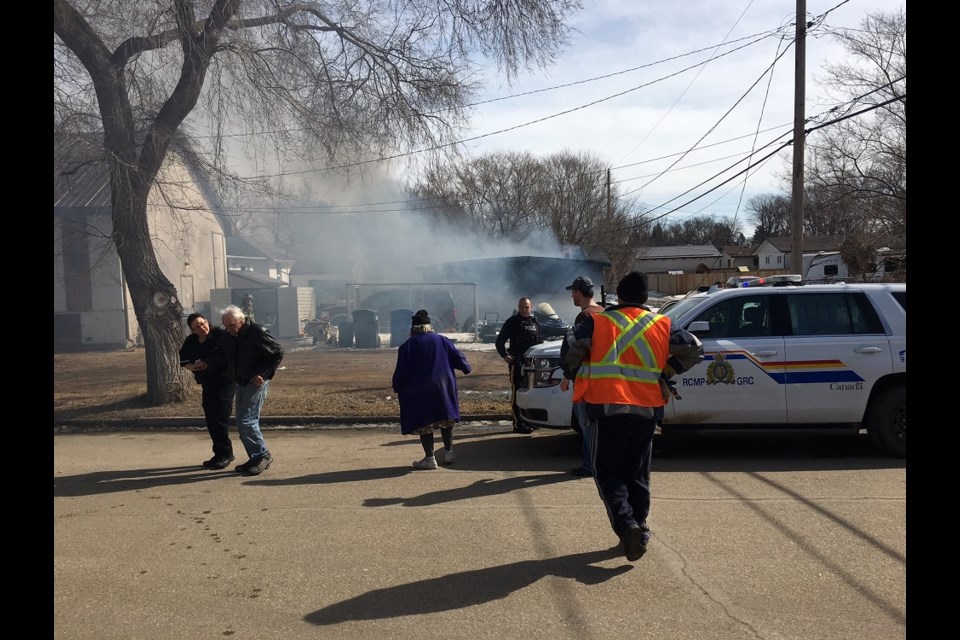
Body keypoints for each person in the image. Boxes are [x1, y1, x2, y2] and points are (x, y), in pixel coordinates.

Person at [561, 271, 703, 562]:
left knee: (608, 471)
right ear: (644, 297)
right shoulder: (661, 323)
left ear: (619, 296)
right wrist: (667, 371)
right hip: (646, 409)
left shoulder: (598, 321)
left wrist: (575, 373)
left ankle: (627, 526)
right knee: (637, 472)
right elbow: (695, 349)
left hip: (607, 407)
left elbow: (570, 347)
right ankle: (641, 527)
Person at [392, 309, 472, 470]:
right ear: (430, 326)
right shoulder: (443, 341)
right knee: (445, 417)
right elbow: (461, 361)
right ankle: (449, 452)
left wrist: (397, 385)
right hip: (444, 386)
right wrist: (466, 368)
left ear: (414, 328)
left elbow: (401, 372)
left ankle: (430, 458)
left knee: (424, 422)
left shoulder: (407, 346)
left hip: (420, 390)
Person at [220, 304, 284, 476]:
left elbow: (277, 353)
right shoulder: (230, 336)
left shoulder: (257, 332)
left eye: (231, 325)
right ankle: (255, 456)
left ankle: (262, 455)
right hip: (241, 382)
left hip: (256, 382)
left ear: (241, 320)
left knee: (247, 421)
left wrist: (264, 374)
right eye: (225, 325)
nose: (228, 329)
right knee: (242, 421)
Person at [559, 276, 605, 477]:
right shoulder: (604, 313)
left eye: (573, 292)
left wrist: (567, 374)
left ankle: (590, 465)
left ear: (579, 292)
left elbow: (574, 350)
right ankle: (597, 463)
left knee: (586, 425)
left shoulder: (585, 317)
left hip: (587, 380)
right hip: (604, 379)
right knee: (595, 425)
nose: (571, 296)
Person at [179, 312, 237, 469]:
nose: (202, 327)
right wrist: (194, 366)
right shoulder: (192, 341)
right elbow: (183, 359)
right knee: (211, 417)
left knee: (219, 416)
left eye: (203, 323)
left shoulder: (220, 335)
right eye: (197, 326)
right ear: (192, 329)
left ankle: (226, 454)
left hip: (225, 381)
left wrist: (206, 363)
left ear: (207, 321)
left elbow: (227, 355)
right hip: (208, 383)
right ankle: (218, 453)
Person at [495, 297, 543, 434]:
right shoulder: (512, 322)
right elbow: (499, 342)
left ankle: (529, 421)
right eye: (521, 307)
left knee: (531, 394)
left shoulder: (535, 322)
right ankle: (518, 423)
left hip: (533, 366)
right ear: (518, 307)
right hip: (518, 364)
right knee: (518, 393)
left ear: (531, 307)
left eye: (526, 307)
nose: (524, 309)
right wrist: (505, 356)